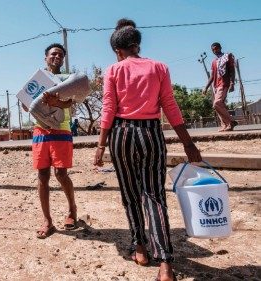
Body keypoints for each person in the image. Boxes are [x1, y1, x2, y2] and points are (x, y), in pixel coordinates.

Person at [94, 19, 202, 281]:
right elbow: (170, 106)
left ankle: (140, 247)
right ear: (136, 45)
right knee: (154, 196)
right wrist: (188, 143)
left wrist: (100, 145)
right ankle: (165, 264)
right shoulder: (159, 67)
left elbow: (108, 108)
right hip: (151, 134)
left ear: (118, 51)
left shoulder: (113, 70)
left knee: (130, 194)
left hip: (121, 135)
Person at [22, 43, 77, 239]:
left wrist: (57, 103)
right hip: (40, 131)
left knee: (61, 174)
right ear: (45, 57)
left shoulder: (68, 79)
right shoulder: (38, 79)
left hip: (61, 130)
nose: (57, 57)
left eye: (61, 55)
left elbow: (71, 103)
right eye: (53, 54)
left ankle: (72, 210)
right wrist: (25, 100)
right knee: (42, 176)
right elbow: (26, 106)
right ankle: (47, 221)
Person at [202, 42, 238, 131]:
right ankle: (225, 125)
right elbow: (212, 76)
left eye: (216, 48)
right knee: (219, 105)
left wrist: (232, 83)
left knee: (217, 103)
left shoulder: (227, 56)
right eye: (213, 50)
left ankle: (231, 121)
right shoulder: (214, 61)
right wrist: (206, 87)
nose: (215, 51)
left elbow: (232, 70)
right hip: (216, 86)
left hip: (224, 83)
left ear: (220, 47)